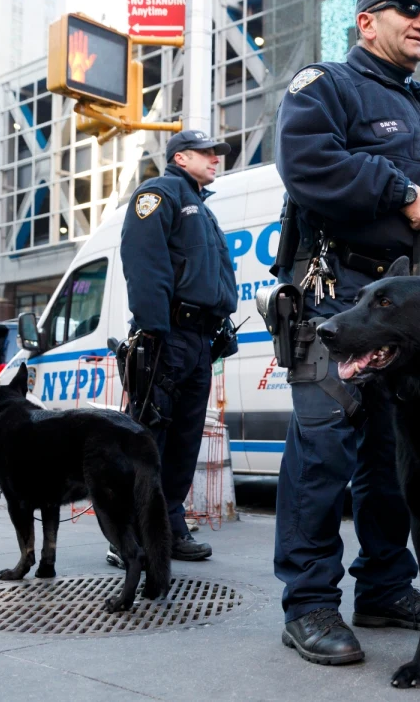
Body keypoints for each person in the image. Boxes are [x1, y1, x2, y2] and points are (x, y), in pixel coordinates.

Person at [272, 0, 420, 665]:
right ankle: (308, 604)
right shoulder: (327, 85)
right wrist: (399, 191)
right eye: (409, 10)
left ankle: (385, 587)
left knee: (394, 457)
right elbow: (305, 164)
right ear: (367, 22)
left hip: (404, 319)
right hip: (337, 297)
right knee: (324, 449)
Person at [116, 130, 239, 565]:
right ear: (180, 157)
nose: (215, 159)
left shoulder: (202, 208)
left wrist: (221, 322)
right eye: (207, 153)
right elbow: (144, 262)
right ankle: (130, 535)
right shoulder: (158, 193)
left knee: (185, 439)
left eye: (217, 154)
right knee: (150, 437)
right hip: (166, 335)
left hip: (198, 338)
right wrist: (153, 330)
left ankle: (167, 525)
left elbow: (214, 276)